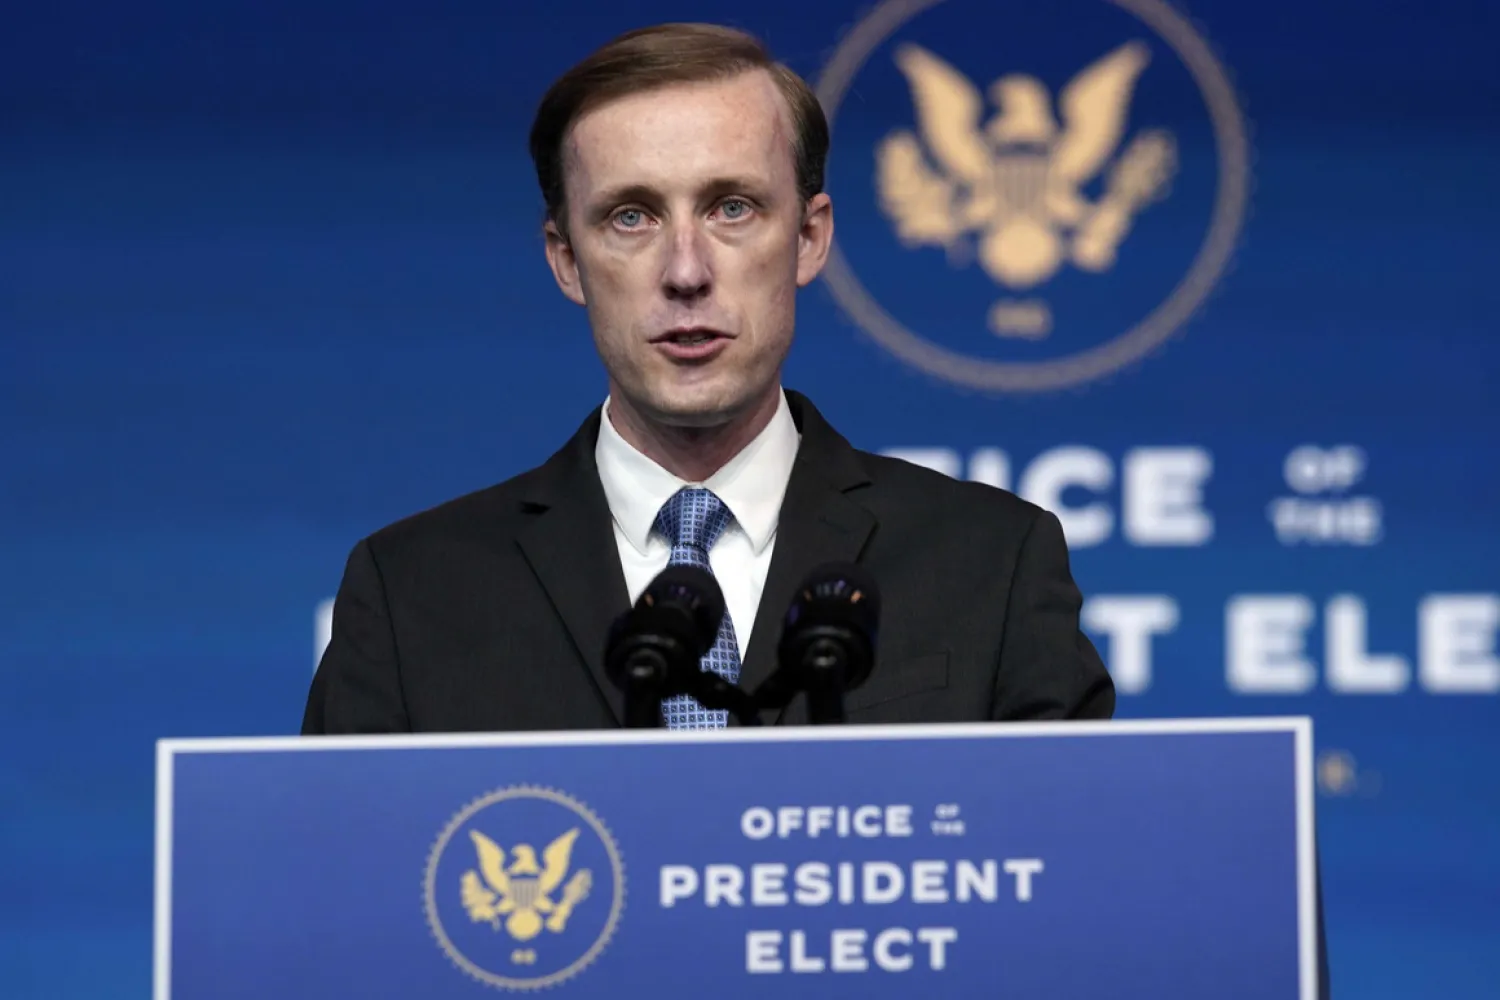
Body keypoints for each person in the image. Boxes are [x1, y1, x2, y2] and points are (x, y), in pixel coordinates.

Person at [301, 22, 1115, 735]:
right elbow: (341, 862)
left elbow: (1073, 851)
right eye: (631, 216)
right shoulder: (413, 592)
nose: (686, 271)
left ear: (809, 238)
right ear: (566, 259)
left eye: (732, 207)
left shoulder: (991, 564)